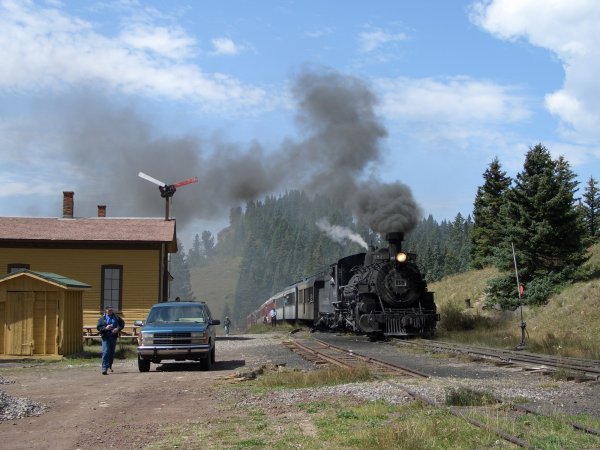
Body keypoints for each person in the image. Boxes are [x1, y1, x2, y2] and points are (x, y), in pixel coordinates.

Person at [96, 306, 125, 375]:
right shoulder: (102, 318)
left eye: (111, 310)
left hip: (113, 336)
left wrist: (117, 329)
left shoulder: (116, 317)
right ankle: (104, 368)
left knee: (111, 352)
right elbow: (98, 327)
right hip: (105, 336)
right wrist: (105, 328)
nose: (110, 311)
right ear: (106, 311)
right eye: (109, 310)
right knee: (105, 352)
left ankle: (109, 365)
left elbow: (122, 324)